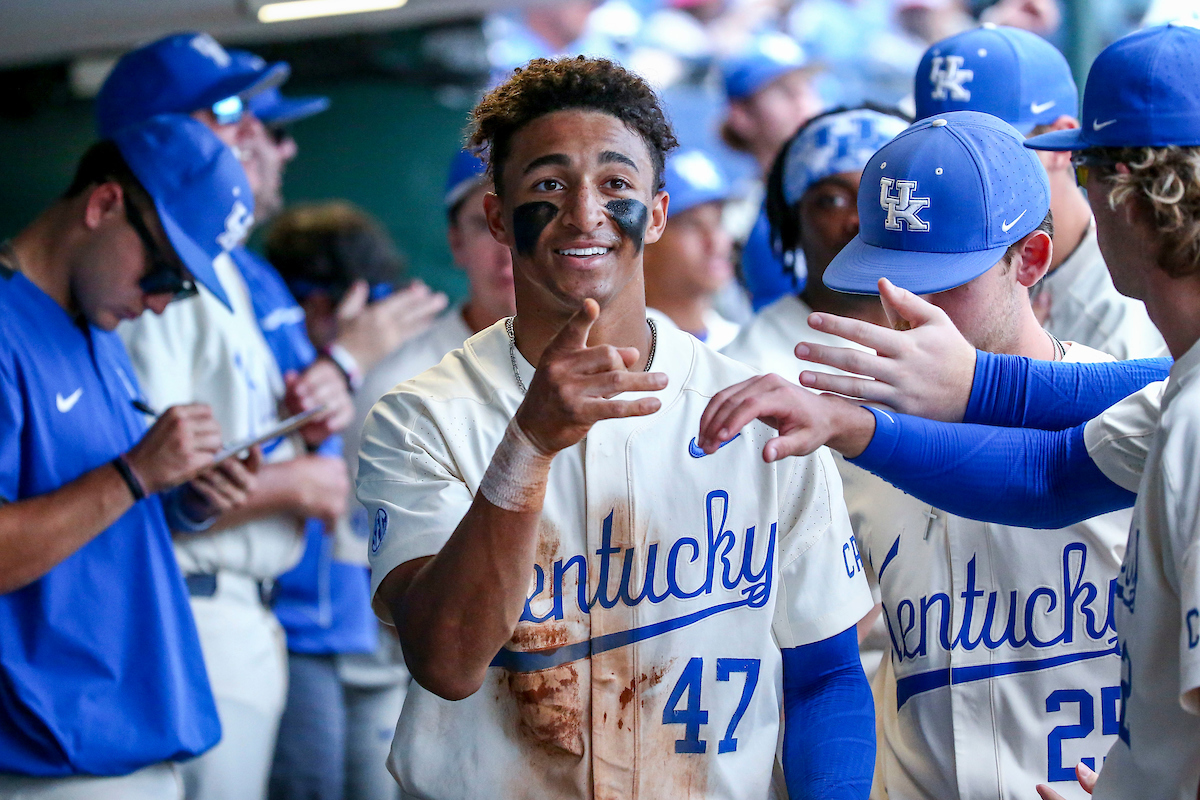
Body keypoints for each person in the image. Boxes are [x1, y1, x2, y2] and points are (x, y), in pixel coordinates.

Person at [697, 22, 1200, 800]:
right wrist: (853, 428)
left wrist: (964, 392)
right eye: (888, 275)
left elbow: (1104, 427)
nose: (908, 305)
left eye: (944, 276)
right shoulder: (848, 445)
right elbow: (1047, 478)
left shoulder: (1165, 410)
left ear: (1031, 259)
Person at [357, 56, 876, 800]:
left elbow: (825, 673)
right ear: (498, 217)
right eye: (548, 185)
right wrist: (527, 446)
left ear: (657, 212)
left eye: (616, 185)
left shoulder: (756, 410)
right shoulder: (424, 415)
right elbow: (446, 661)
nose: (584, 213)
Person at [0, 114, 259, 798]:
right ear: (104, 204)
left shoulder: (98, 330)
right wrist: (136, 473)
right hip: (49, 753)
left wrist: (187, 499)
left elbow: (97, 522)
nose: (162, 302)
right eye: (165, 272)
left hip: (134, 732)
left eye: (181, 287)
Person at [912, 23, 1166, 360]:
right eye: (937, 147)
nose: (957, 166)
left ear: (1061, 146)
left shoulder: (1122, 310)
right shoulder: (928, 257)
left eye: (989, 150)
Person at [723, 105, 909, 378]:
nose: (860, 219)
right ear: (792, 220)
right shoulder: (747, 371)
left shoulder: (960, 347)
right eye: (833, 200)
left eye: (888, 195)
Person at [720, 32, 825, 311]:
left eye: (806, 86)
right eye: (784, 90)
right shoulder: (731, 218)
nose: (802, 100)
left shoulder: (853, 184)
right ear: (741, 115)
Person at [643, 148, 740, 348]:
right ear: (643, 240)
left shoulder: (740, 341)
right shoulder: (617, 348)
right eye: (691, 224)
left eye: (719, 220)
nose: (715, 242)